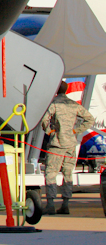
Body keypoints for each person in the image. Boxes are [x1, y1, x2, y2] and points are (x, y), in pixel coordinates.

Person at [39, 80, 94, 215]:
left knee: (51, 173)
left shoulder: (54, 104)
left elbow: (44, 119)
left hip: (57, 144)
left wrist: (50, 131)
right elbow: (90, 119)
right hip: (70, 144)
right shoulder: (73, 104)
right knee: (68, 173)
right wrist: (76, 130)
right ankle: (65, 204)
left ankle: (51, 203)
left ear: (56, 90)